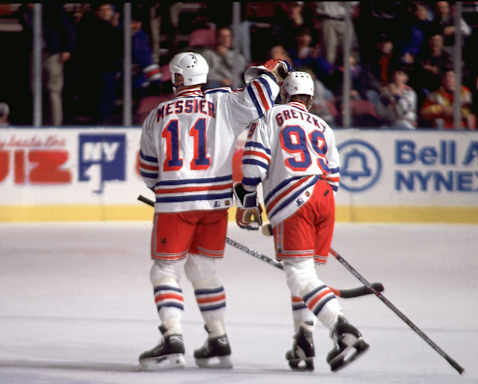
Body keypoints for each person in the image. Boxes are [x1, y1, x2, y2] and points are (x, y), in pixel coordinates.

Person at [138, 52, 290, 369]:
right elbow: (262, 98)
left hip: (175, 203)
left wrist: (163, 192)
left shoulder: (157, 114)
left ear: (177, 79)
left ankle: (172, 338)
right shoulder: (223, 102)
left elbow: (149, 172)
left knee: (164, 270)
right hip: (217, 204)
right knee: (203, 270)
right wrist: (269, 71)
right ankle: (218, 338)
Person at [234, 71, 369, 372]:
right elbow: (333, 178)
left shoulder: (270, 115)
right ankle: (304, 340)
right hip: (323, 199)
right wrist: (298, 215)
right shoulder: (323, 125)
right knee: (305, 275)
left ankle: (344, 330)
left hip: (293, 198)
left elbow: (254, 162)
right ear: (310, 98)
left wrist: (249, 202)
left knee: (300, 277)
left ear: (285, 94)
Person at [373, 65, 417, 130]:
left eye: (400, 74)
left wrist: (396, 94)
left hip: (406, 123)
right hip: (389, 124)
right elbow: (380, 112)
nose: (397, 76)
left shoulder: (410, 93)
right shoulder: (386, 91)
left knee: (402, 125)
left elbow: (402, 111)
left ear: (406, 78)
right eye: (395, 73)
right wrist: (386, 98)